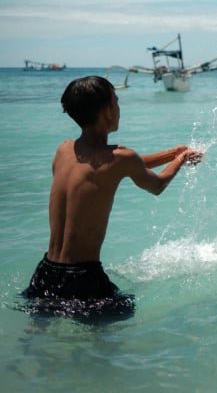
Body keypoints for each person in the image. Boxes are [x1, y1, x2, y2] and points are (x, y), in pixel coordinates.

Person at [22, 75, 203, 319]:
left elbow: (115, 165)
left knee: (38, 336)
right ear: (107, 111)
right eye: (116, 101)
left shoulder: (64, 150)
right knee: (108, 340)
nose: (119, 108)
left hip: (46, 273)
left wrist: (172, 153)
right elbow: (156, 184)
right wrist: (181, 160)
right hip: (84, 277)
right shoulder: (121, 159)